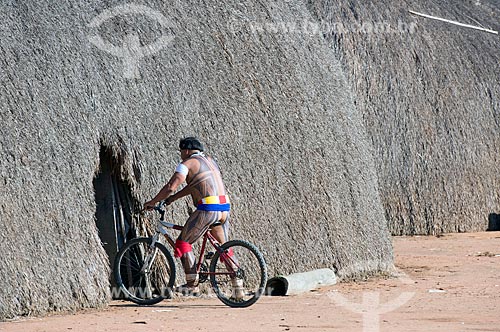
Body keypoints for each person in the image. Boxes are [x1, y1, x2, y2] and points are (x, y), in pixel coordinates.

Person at [144, 137, 243, 298]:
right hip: (224, 207)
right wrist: (173, 199)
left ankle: (191, 285)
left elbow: (171, 186)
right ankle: (238, 287)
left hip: (208, 208)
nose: (181, 154)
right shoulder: (210, 161)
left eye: (181, 151)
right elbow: (194, 186)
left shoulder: (186, 164)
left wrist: (153, 201)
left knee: (183, 242)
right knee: (224, 247)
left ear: (187, 150)